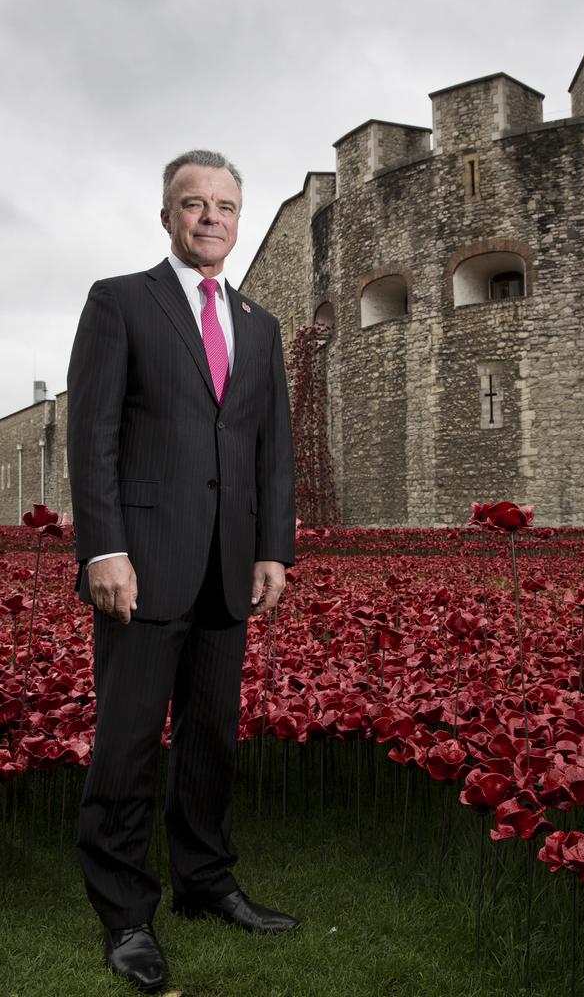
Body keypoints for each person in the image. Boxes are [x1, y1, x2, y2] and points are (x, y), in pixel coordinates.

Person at [67, 149, 297, 994]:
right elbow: (93, 436)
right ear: (166, 214)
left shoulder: (260, 325)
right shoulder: (120, 301)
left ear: (240, 219)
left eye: (227, 206)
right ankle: (126, 913)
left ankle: (206, 883)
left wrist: (274, 547)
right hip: (141, 567)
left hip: (228, 568)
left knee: (210, 742)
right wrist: (103, 548)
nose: (211, 218)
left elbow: (273, 450)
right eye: (194, 204)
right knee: (126, 747)